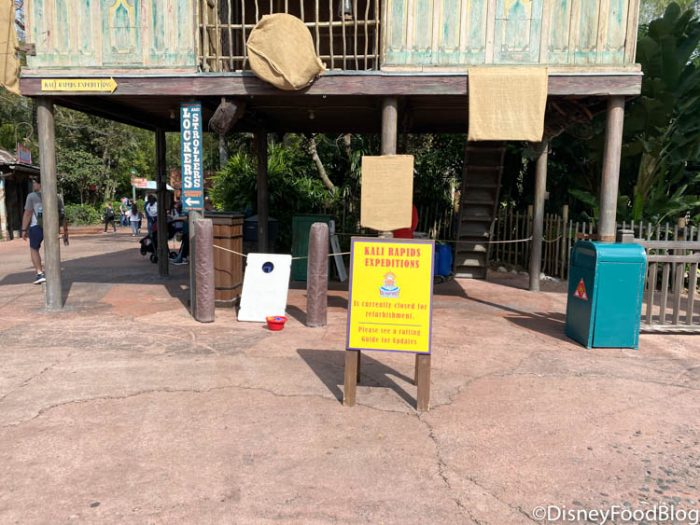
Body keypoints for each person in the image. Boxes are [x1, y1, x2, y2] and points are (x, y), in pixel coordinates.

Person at [21, 178, 69, 285]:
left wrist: (24, 229)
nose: (33, 185)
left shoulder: (32, 196)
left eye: (35, 183)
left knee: (34, 249)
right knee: (52, 248)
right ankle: (54, 272)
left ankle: (39, 273)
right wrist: (64, 230)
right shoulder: (56, 196)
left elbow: (28, 213)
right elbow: (62, 214)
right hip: (53, 226)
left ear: (40, 184)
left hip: (36, 226)